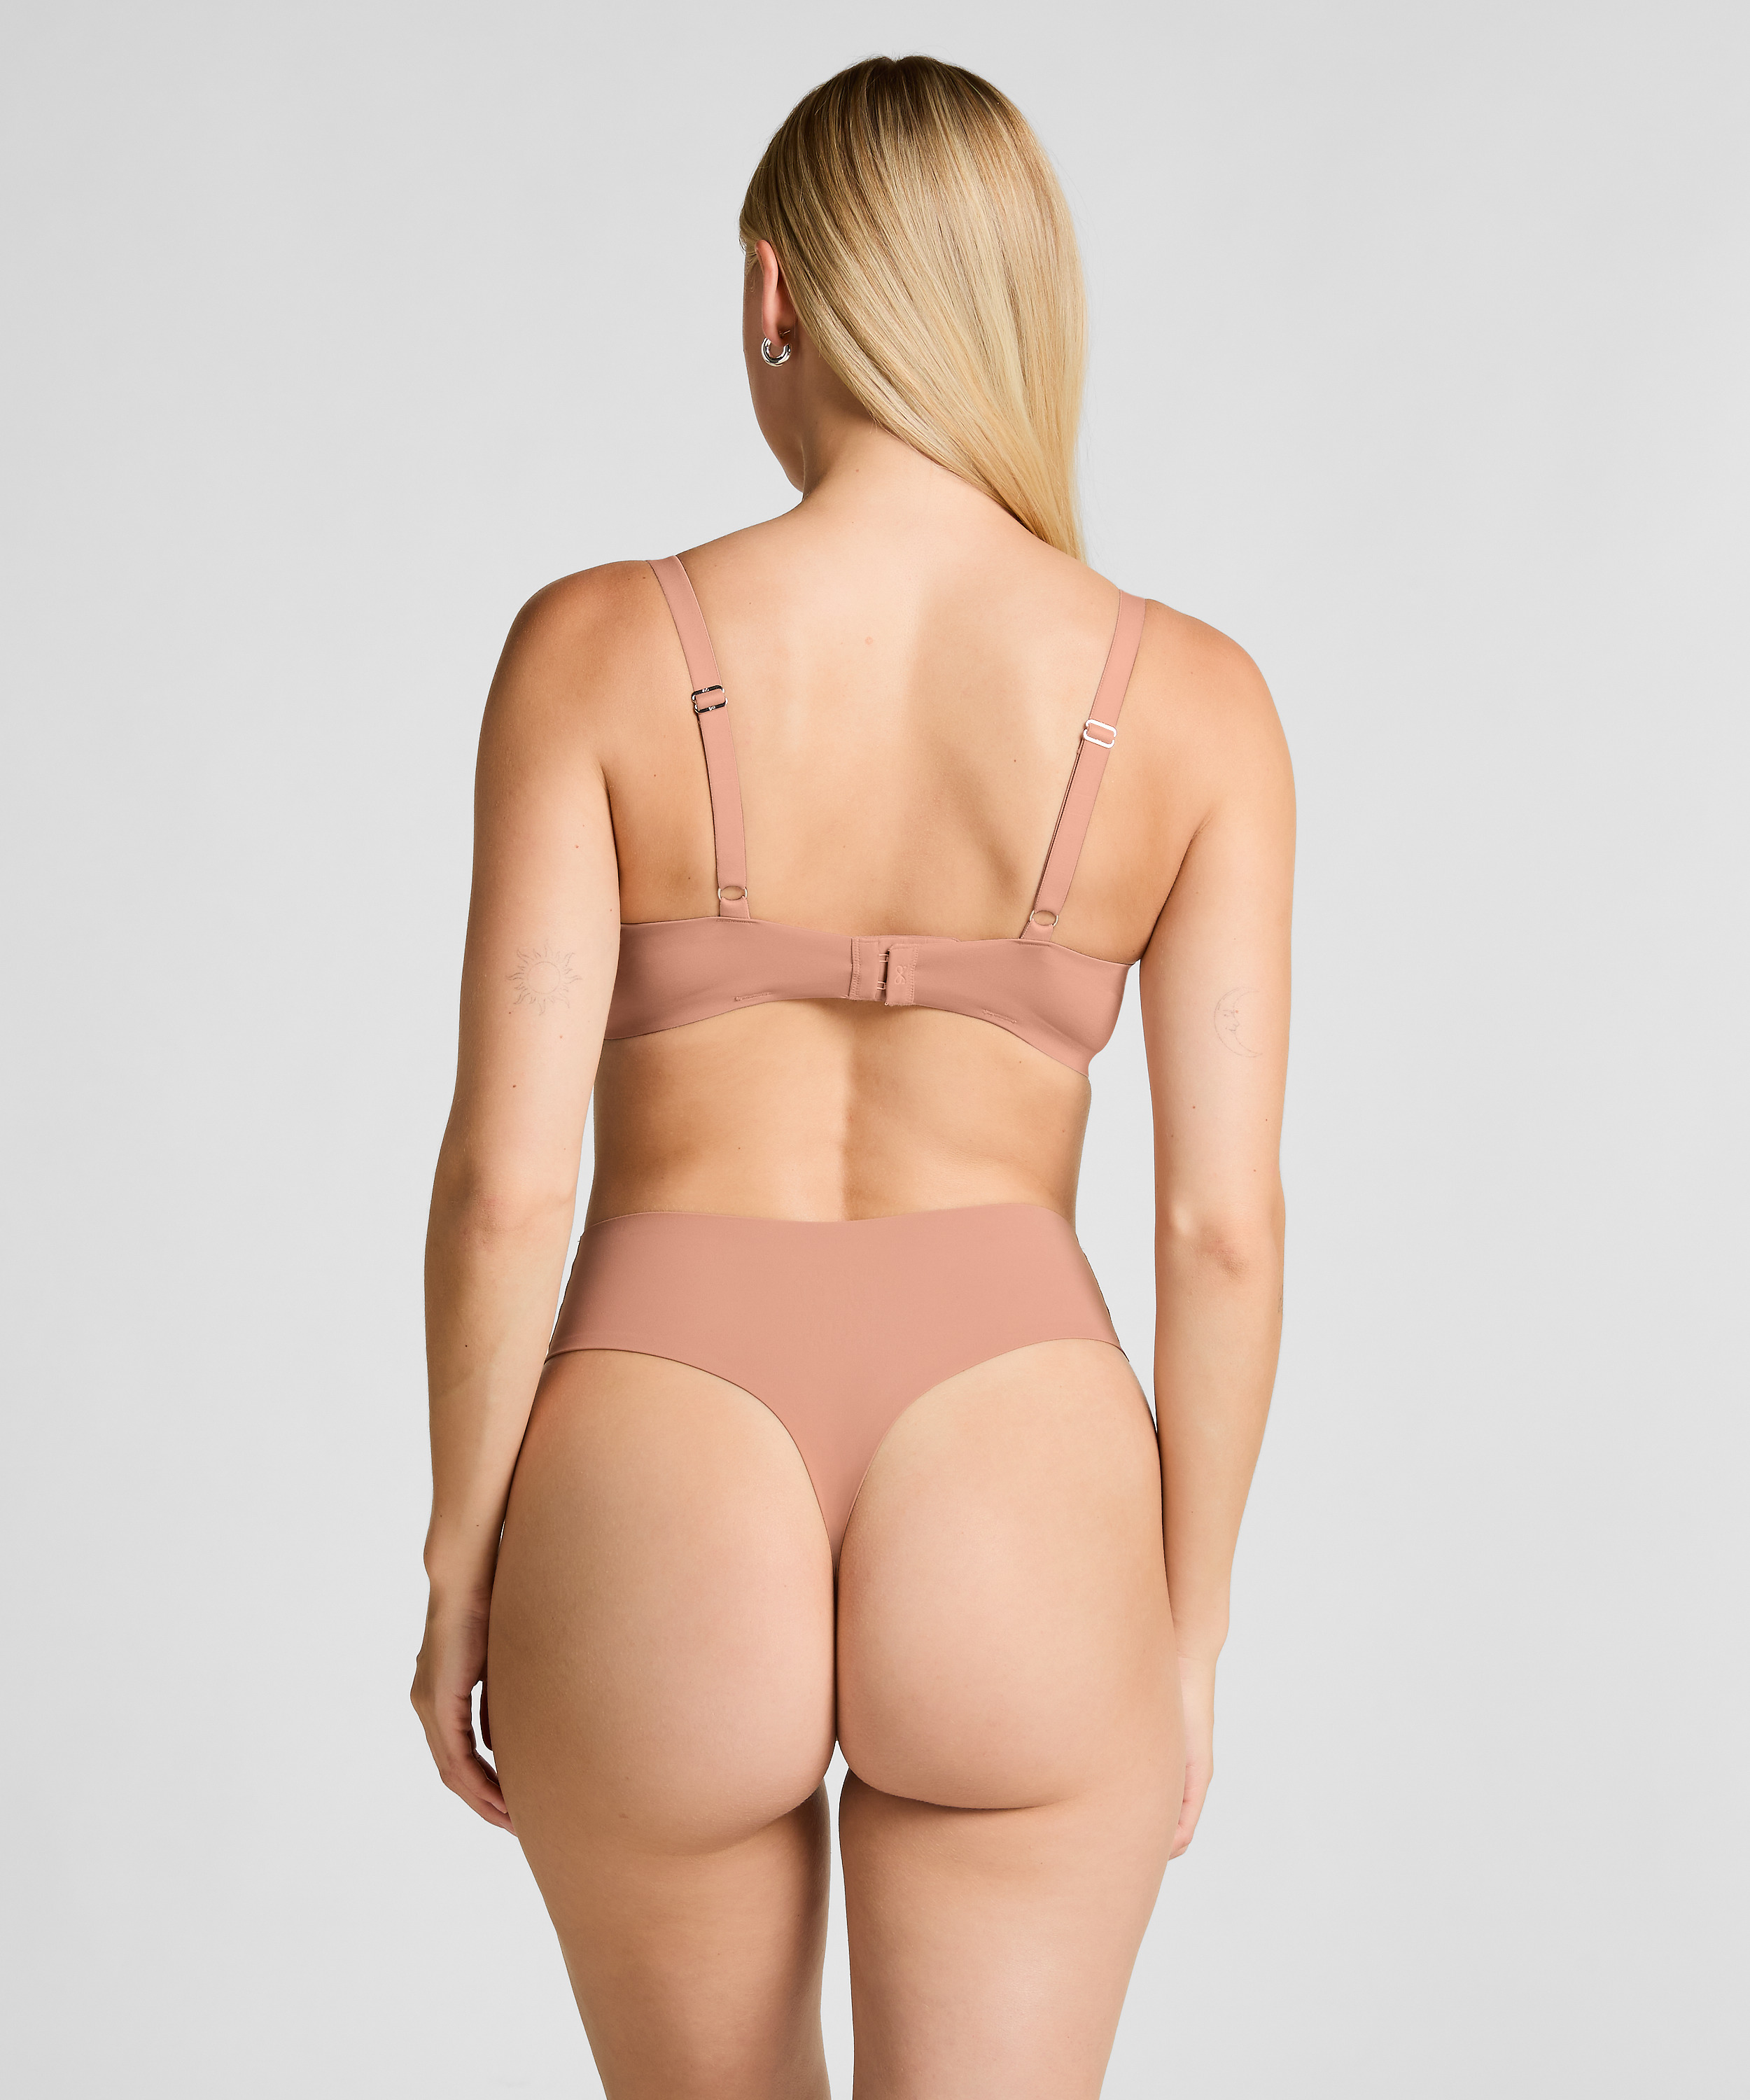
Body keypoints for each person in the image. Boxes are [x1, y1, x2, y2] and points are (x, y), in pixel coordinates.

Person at [411, 52, 1292, 2100]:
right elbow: (1220, 1232)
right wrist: (1183, 1637)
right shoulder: (1196, 705)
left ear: (771, 291)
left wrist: (461, 1563)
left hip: (655, 1461)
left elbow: (506, 1190)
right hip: (1021, 1460)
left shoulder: (592, 649)